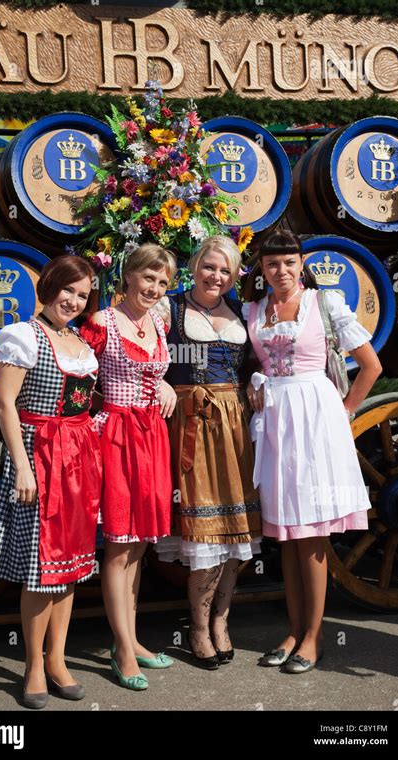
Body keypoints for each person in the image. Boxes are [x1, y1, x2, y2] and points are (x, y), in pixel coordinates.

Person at [243, 229, 382, 673]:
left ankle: (314, 636)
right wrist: (253, 382)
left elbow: (371, 365)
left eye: (288, 262)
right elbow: (252, 365)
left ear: (301, 263)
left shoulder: (325, 304)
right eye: (271, 264)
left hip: (315, 419)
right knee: (284, 533)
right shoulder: (253, 310)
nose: (280, 271)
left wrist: (344, 411)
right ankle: (293, 628)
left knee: (311, 534)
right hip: (276, 424)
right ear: (262, 269)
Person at [0, 255, 102, 708]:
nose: (73, 300)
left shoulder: (77, 341)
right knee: (40, 570)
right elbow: (4, 404)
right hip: (38, 454)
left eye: (82, 293)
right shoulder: (22, 336)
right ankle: (33, 665)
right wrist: (21, 465)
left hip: (76, 460)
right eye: (67, 290)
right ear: (49, 287)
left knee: (69, 567)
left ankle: (58, 658)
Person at [154, 235, 262, 669]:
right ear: (195, 267)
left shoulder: (242, 312)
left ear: (235, 276)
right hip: (190, 422)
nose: (216, 276)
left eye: (225, 270)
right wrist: (160, 380)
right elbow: (142, 347)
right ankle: (198, 629)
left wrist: (256, 382)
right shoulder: (171, 309)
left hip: (234, 425)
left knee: (235, 531)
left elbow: (260, 362)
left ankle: (222, 622)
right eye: (209, 267)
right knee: (204, 534)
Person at [79, 243, 177, 691]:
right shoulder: (101, 323)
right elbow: (77, 375)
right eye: (147, 278)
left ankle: (132, 637)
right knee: (119, 547)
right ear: (128, 276)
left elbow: (153, 373)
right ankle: (120, 649)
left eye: (162, 282)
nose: (154, 288)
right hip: (115, 437)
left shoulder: (159, 320)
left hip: (151, 436)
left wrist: (167, 385)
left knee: (139, 545)